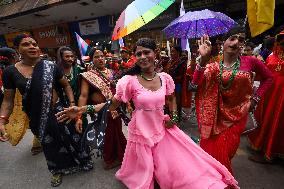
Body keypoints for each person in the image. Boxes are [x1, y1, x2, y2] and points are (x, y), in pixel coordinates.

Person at [57, 38, 239, 189]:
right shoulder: (128, 82)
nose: (143, 57)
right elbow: (111, 105)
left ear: (155, 54)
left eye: (146, 52)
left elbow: (171, 99)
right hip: (141, 131)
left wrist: (174, 117)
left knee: (183, 173)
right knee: (145, 174)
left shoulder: (165, 78)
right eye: (138, 53)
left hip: (163, 128)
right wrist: (81, 109)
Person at [0, 34, 93, 187]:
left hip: (59, 110)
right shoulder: (10, 72)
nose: (32, 46)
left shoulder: (50, 65)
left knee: (71, 137)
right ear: (17, 49)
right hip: (36, 116)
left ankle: (82, 160)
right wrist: (2, 119)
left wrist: (71, 103)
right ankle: (57, 170)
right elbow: (8, 100)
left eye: (34, 44)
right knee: (50, 145)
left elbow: (65, 85)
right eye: (26, 44)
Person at [189, 27, 273, 174]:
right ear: (223, 42)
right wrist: (202, 60)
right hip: (214, 118)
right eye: (232, 38)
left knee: (224, 155)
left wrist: (255, 99)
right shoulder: (214, 64)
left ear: (243, 44)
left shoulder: (250, 61)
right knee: (211, 160)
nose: (236, 43)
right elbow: (194, 86)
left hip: (238, 117)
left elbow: (269, 78)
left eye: (241, 40)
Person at [77, 48, 126, 170]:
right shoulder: (88, 76)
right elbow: (83, 95)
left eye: (101, 56)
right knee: (107, 134)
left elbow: (119, 91)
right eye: (96, 57)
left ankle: (121, 155)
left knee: (117, 132)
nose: (100, 59)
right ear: (91, 60)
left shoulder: (111, 72)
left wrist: (127, 104)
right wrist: (78, 114)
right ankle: (109, 159)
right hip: (101, 111)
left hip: (115, 108)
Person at [248, 29, 284, 163]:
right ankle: (263, 146)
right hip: (269, 93)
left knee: (277, 121)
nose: (282, 46)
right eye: (281, 42)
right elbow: (265, 72)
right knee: (266, 117)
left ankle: (272, 151)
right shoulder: (271, 56)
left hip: (281, 96)